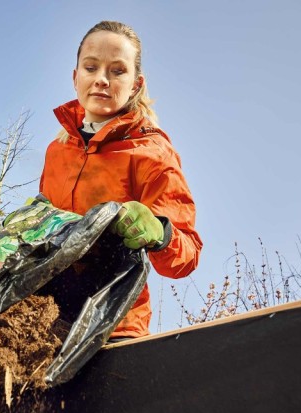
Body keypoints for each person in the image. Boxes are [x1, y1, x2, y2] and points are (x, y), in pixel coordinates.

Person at [39, 20, 203, 339]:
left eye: (117, 71)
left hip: (113, 326)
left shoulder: (153, 152)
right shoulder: (57, 150)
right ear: (76, 77)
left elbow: (186, 256)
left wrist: (160, 233)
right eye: (91, 67)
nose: (101, 80)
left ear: (136, 84)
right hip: (47, 319)